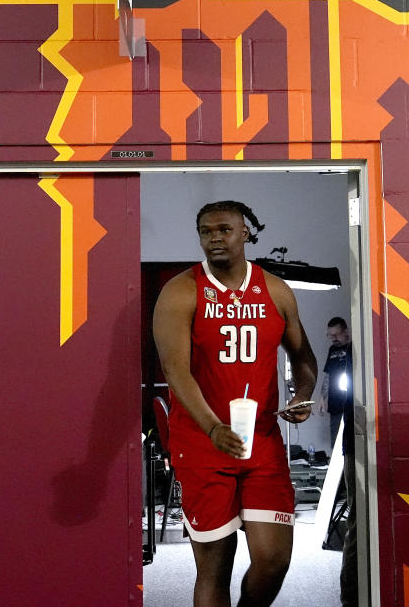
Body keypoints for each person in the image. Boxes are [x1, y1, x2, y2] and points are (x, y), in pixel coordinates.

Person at [153, 200, 318, 607]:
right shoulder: (181, 291)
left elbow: (304, 358)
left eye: (224, 229)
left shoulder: (275, 289)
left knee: (274, 561)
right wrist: (212, 427)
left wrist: (302, 395)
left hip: (261, 443)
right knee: (214, 568)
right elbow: (175, 371)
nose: (215, 238)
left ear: (245, 232)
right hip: (202, 444)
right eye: (206, 232)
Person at [316, 317, 353, 448]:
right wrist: (322, 398)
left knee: (350, 443)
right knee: (336, 442)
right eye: (330, 335)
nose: (333, 338)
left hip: (351, 404)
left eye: (336, 335)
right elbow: (328, 374)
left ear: (346, 331)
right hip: (335, 404)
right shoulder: (332, 350)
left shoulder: (353, 348)